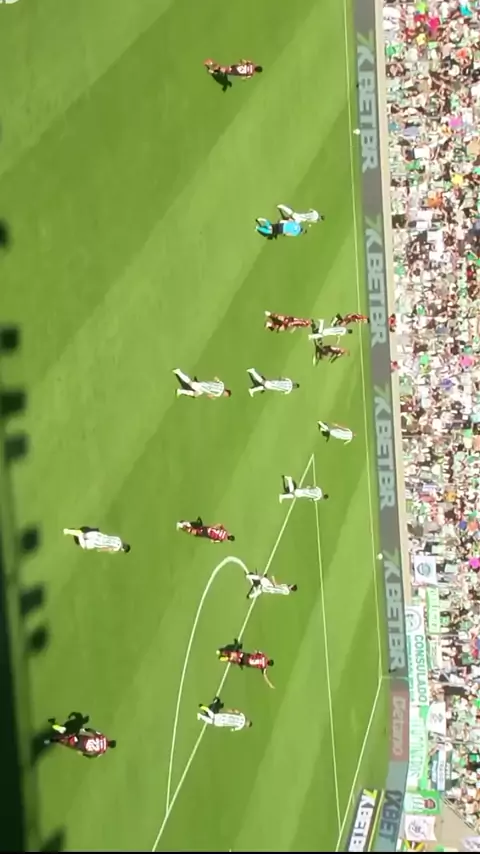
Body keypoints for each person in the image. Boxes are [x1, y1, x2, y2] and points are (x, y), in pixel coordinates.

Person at [44, 722, 116, 757]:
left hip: (83, 739)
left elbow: (92, 731)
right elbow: (92, 756)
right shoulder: (102, 751)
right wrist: (83, 754)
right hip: (82, 747)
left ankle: (62, 732)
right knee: (67, 743)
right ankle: (52, 740)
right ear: (110, 747)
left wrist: (84, 729)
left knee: (71, 735)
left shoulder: (102, 737)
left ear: (110, 740)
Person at [62, 527, 130, 553]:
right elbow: (109, 549)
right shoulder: (117, 548)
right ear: (123, 549)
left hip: (98, 535)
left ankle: (68, 531)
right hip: (96, 543)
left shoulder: (118, 538)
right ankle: (73, 532)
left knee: (84, 535)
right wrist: (101, 550)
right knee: (84, 545)